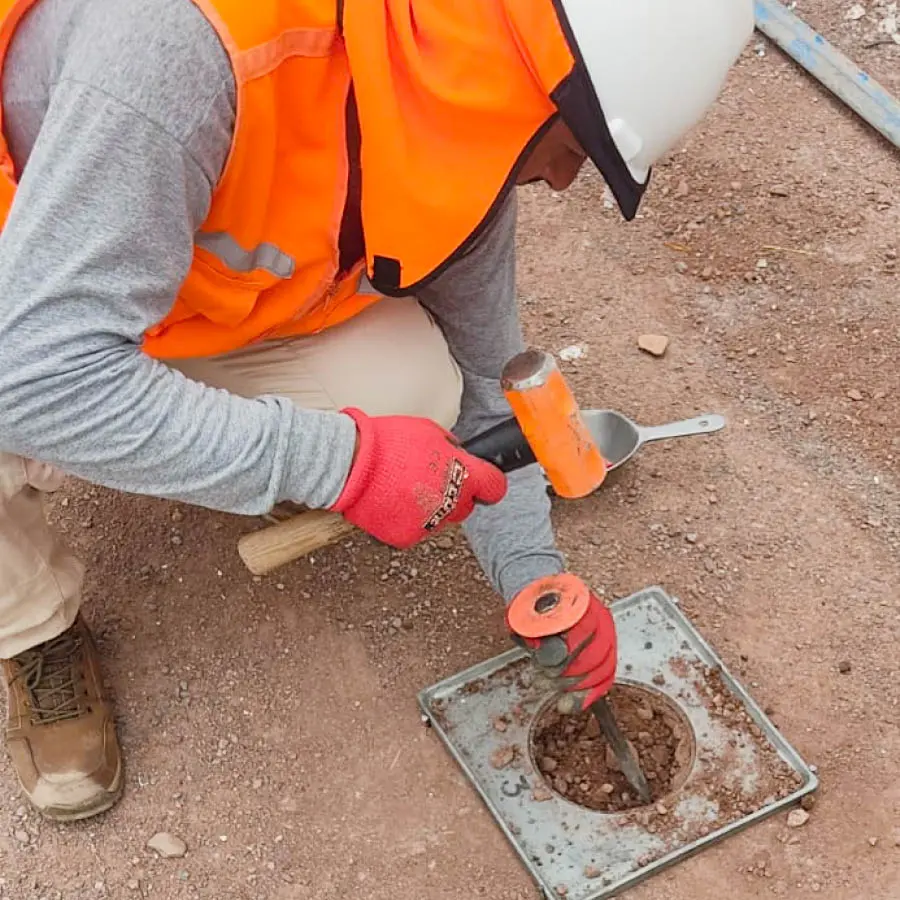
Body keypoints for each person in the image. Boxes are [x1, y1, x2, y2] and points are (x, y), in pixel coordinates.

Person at [0, 0, 753, 821]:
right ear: (519, 81)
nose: (566, 181)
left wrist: (535, 578)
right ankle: (34, 625)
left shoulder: (445, 99)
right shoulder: (175, 50)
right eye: (575, 148)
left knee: (415, 388)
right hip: (25, 301)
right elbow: (34, 375)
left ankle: (194, 436)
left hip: (163, 289)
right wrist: (342, 465)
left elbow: (488, 378)